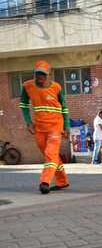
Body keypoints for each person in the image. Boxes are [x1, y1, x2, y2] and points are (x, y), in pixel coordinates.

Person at [20, 60, 70, 194]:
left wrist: (67, 126)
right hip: (39, 127)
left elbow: (64, 108)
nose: (40, 77)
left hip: (55, 126)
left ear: (49, 75)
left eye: (43, 74)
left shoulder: (57, 87)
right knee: (51, 156)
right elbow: (23, 105)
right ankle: (62, 181)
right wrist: (28, 122)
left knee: (50, 153)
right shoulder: (27, 86)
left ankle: (45, 181)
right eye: (38, 74)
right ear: (34, 74)